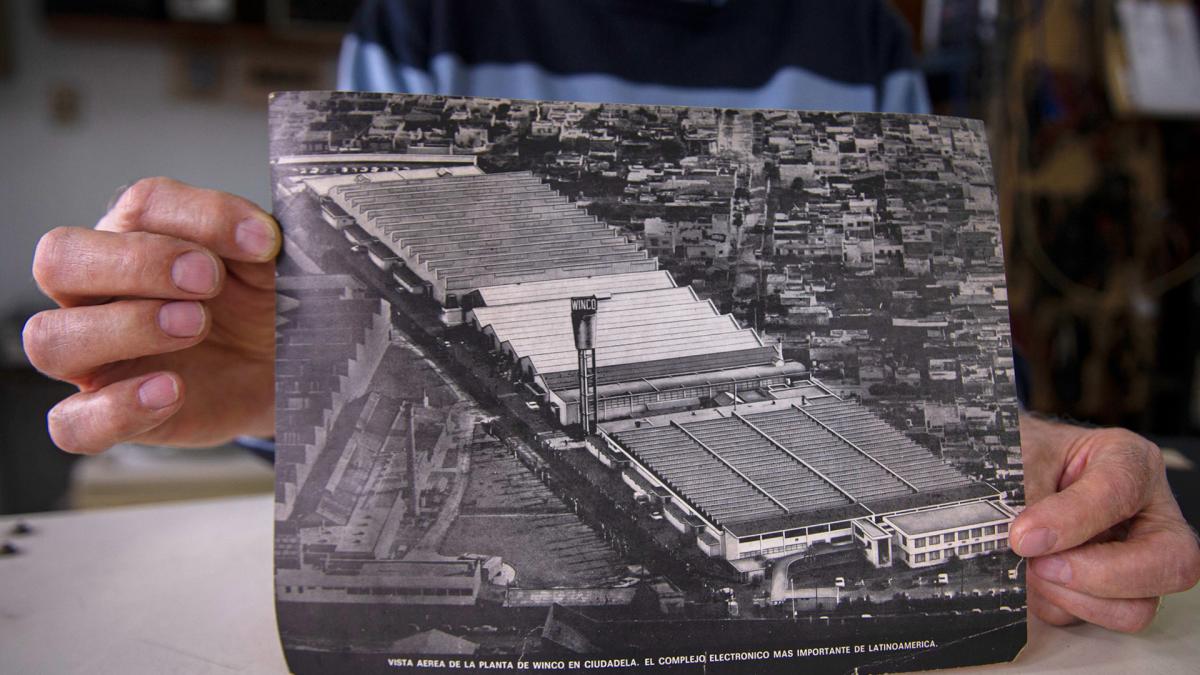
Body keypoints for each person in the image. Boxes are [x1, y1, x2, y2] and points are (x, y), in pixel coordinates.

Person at [20, 0, 1199, 635]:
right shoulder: (425, 23)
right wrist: (295, 369)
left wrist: (1032, 462)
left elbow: (911, 345)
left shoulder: (861, 38)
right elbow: (376, 344)